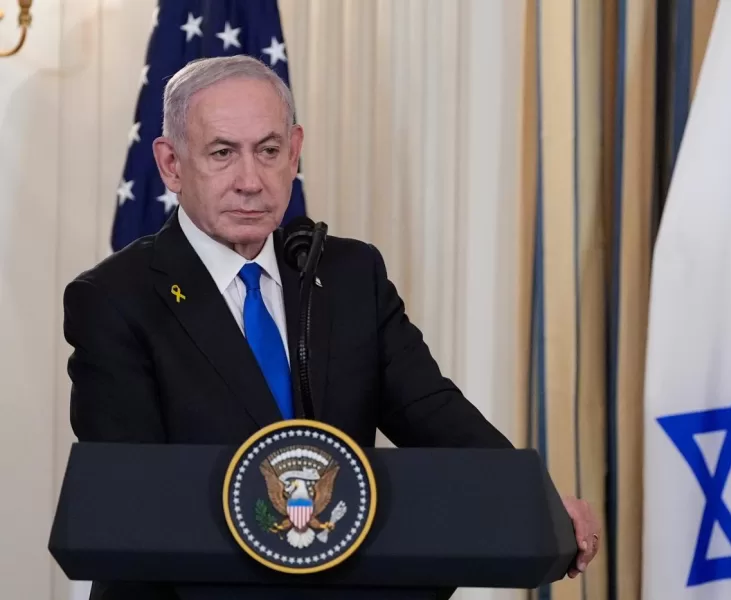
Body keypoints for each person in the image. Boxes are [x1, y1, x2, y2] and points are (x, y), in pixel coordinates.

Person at [64, 55, 600, 599]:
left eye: (268, 151)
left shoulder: (348, 274)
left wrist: (529, 499)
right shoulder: (114, 299)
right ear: (171, 164)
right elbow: (134, 498)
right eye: (222, 153)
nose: (250, 181)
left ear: (294, 152)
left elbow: (432, 412)